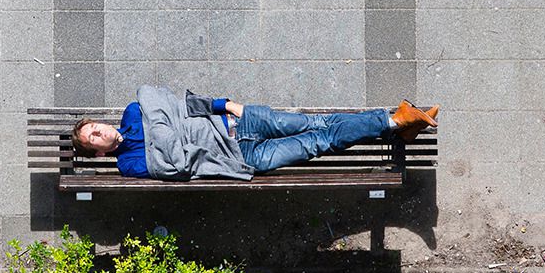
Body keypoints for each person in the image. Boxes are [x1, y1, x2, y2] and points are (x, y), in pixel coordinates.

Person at [71, 85, 439, 182]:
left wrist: (228, 105)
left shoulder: (135, 111)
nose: (100, 133)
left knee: (321, 124)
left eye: (95, 127)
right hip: (241, 159)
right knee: (320, 140)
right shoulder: (128, 165)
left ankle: (398, 122)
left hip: (238, 121)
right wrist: (168, 131)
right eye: (94, 139)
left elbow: (177, 102)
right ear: (99, 153)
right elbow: (174, 167)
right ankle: (397, 121)